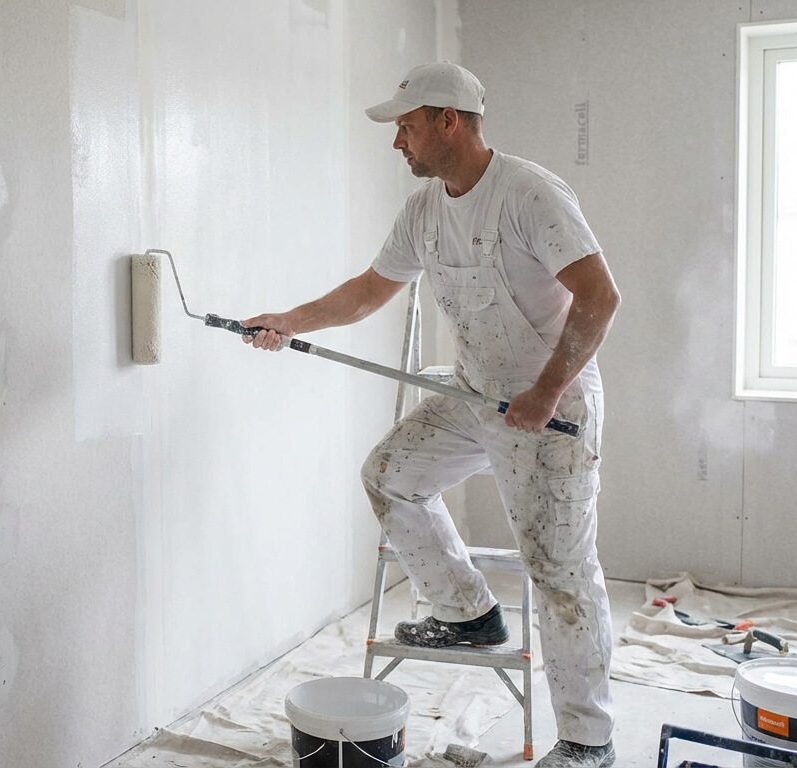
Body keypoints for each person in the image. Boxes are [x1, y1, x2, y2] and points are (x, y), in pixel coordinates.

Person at [241, 62, 621, 768]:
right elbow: (369, 289)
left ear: (450, 120)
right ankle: (469, 614)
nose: (398, 145)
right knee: (389, 475)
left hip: (551, 405)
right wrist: (290, 322)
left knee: (560, 569)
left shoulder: (529, 194)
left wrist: (544, 391)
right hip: (476, 393)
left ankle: (587, 740)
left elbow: (599, 297)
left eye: (407, 128)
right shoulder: (424, 210)